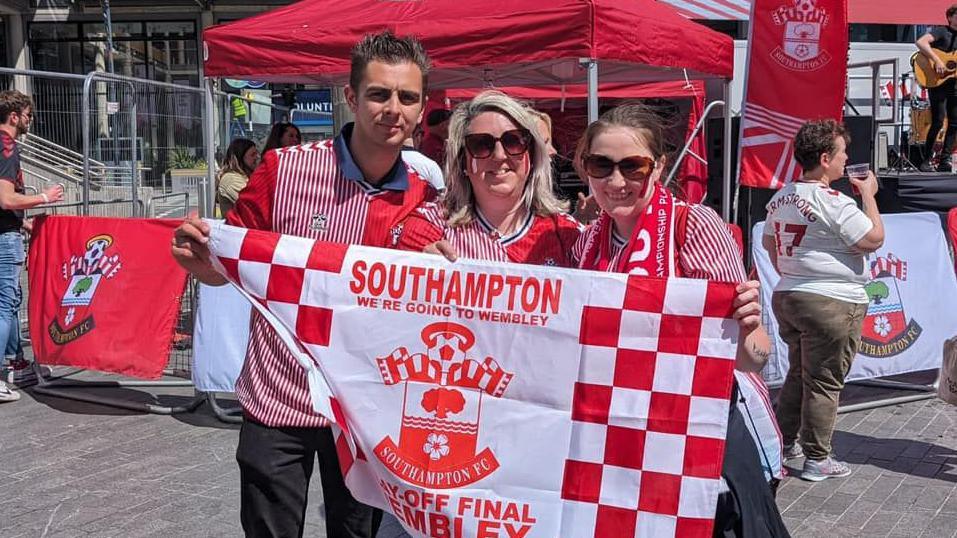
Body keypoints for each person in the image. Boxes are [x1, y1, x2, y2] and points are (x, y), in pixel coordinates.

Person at [172, 31, 436, 538]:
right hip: (277, 397)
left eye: (407, 97)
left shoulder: (425, 199)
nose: (393, 109)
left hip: (361, 410)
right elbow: (226, 266)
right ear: (352, 97)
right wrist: (196, 260)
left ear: (422, 107)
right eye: (379, 94)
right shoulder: (283, 169)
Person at [571, 103, 789, 537]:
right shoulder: (587, 245)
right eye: (601, 165)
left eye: (633, 167)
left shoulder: (694, 226)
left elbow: (753, 358)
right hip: (622, 442)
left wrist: (747, 327)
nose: (616, 182)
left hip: (698, 437)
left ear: (659, 167)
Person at [763, 119, 884, 482]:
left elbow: (771, 246)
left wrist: (796, 270)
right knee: (824, 380)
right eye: (843, 153)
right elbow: (873, 238)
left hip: (791, 292)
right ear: (826, 157)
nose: (847, 160)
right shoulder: (834, 200)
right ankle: (818, 458)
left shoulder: (780, 195)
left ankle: (781, 442)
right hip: (831, 299)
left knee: (800, 373)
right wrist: (869, 196)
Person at [396, 91, 581, 265]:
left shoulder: (567, 235)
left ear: (532, 156)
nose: (499, 155)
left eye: (514, 141)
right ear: (463, 161)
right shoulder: (430, 227)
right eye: (481, 144)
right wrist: (417, 269)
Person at [0, 90, 63, 400]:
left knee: (9, 303)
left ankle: (16, 362)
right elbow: (5, 197)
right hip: (3, 240)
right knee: (4, 305)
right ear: (14, 117)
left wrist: (21, 222)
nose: (30, 120)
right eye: (27, 115)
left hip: (7, 231)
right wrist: (43, 198)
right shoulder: (7, 147)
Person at [916, 4, 957, 172]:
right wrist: (938, 61)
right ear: (950, 17)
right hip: (937, 82)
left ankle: (944, 160)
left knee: (955, 123)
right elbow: (920, 42)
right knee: (938, 121)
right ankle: (926, 159)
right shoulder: (941, 31)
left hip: (954, 83)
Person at [217, 138, 259, 215]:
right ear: (239, 158)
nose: (257, 157)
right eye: (253, 154)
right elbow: (256, 204)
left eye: (257, 153)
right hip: (238, 226)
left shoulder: (246, 177)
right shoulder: (231, 179)